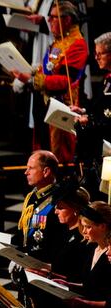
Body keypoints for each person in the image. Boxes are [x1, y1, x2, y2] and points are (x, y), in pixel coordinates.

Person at [11, 1, 88, 163]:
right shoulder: (58, 41)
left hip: (60, 107)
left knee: (57, 158)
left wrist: (32, 79)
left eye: (53, 17)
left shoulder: (77, 45)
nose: (49, 21)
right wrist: (29, 72)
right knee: (42, 153)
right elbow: (47, 68)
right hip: (43, 103)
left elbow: (66, 81)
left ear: (66, 20)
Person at [13, 150, 69, 263]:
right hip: (27, 259)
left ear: (46, 171)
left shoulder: (61, 200)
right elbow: (25, 232)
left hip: (45, 264)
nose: (26, 172)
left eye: (31, 168)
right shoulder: (32, 196)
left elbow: (57, 241)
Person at [73, 32, 111, 194]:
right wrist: (84, 111)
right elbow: (102, 106)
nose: (96, 57)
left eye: (100, 53)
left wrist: (90, 119)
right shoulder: (107, 78)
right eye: (95, 53)